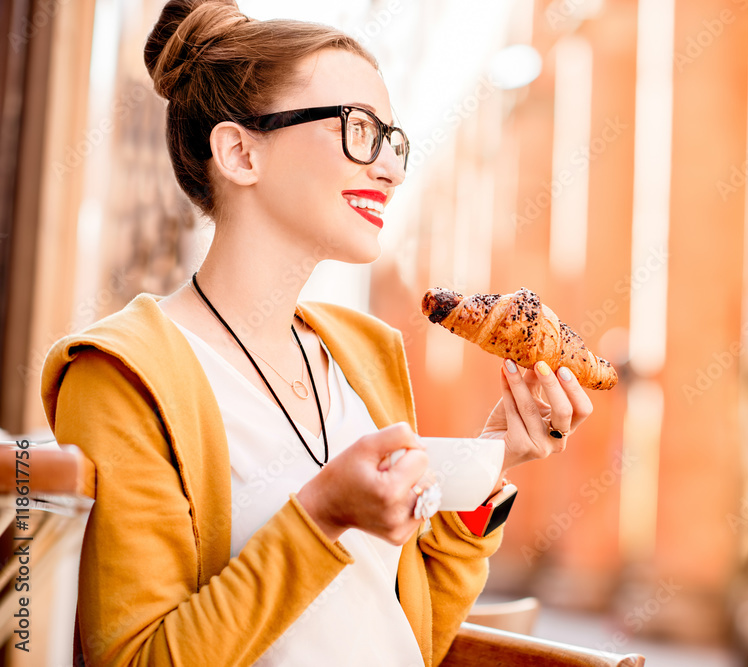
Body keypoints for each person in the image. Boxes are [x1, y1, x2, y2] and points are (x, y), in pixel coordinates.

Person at [39, 0, 595, 665]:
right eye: (357, 129)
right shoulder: (122, 373)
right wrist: (321, 516)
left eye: (393, 140)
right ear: (240, 151)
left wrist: (495, 458)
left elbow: (405, 635)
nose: (389, 168)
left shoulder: (363, 354)